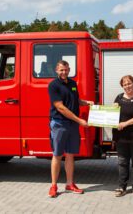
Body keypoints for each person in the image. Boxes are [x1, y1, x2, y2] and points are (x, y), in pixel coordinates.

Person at [47, 60, 94, 198]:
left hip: (72, 125)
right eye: (61, 70)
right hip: (59, 123)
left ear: (69, 69)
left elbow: (75, 100)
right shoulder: (53, 85)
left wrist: (87, 103)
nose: (64, 72)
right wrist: (79, 120)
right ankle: (54, 186)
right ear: (57, 70)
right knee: (57, 154)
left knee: (70, 155)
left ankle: (69, 184)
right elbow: (60, 107)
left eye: (66, 70)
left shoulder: (73, 83)